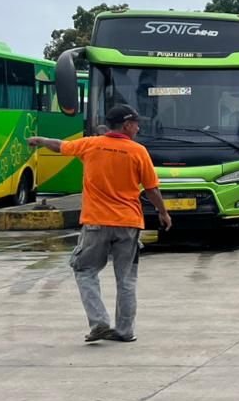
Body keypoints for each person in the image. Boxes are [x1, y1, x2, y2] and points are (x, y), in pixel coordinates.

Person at [28, 104, 172, 344]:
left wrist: (41, 140)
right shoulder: (138, 151)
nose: (138, 128)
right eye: (136, 123)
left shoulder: (91, 144)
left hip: (96, 223)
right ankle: (125, 331)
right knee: (126, 279)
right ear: (126, 125)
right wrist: (163, 213)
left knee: (84, 270)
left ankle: (99, 323)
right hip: (128, 223)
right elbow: (151, 189)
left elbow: (60, 145)